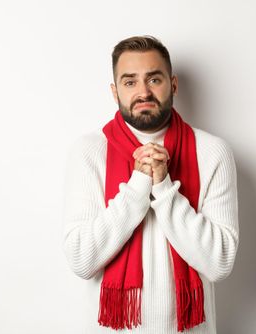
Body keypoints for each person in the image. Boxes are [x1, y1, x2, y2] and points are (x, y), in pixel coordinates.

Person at [62, 35, 239, 333]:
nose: (143, 92)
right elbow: (82, 260)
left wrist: (164, 186)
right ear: (114, 91)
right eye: (130, 82)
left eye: (153, 79)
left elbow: (219, 263)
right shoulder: (90, 150)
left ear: (173, 85)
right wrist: (137, 186)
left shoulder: (212, 151)